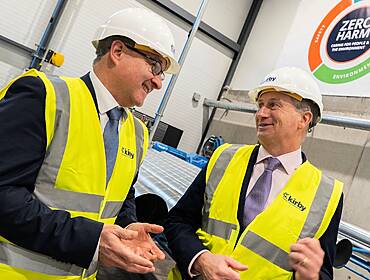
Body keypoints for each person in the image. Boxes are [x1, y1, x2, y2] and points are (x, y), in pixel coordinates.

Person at [0, 7, 179, 280]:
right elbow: (4, 194)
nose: (157, 82)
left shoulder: (137, 133)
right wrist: (92, 240)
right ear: (117, 51)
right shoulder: (44, 96)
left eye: (163, 73)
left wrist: (129, 227)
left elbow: (119, 199)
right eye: (154, 65)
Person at [165, 66, 343, 280]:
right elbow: (178, 220)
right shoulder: (224, 158)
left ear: (304, 119)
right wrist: (201, 260)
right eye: (260, 105)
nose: (261, 113)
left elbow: (324, 273)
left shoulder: (326, 194)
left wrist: (311, 277)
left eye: (273, 105)